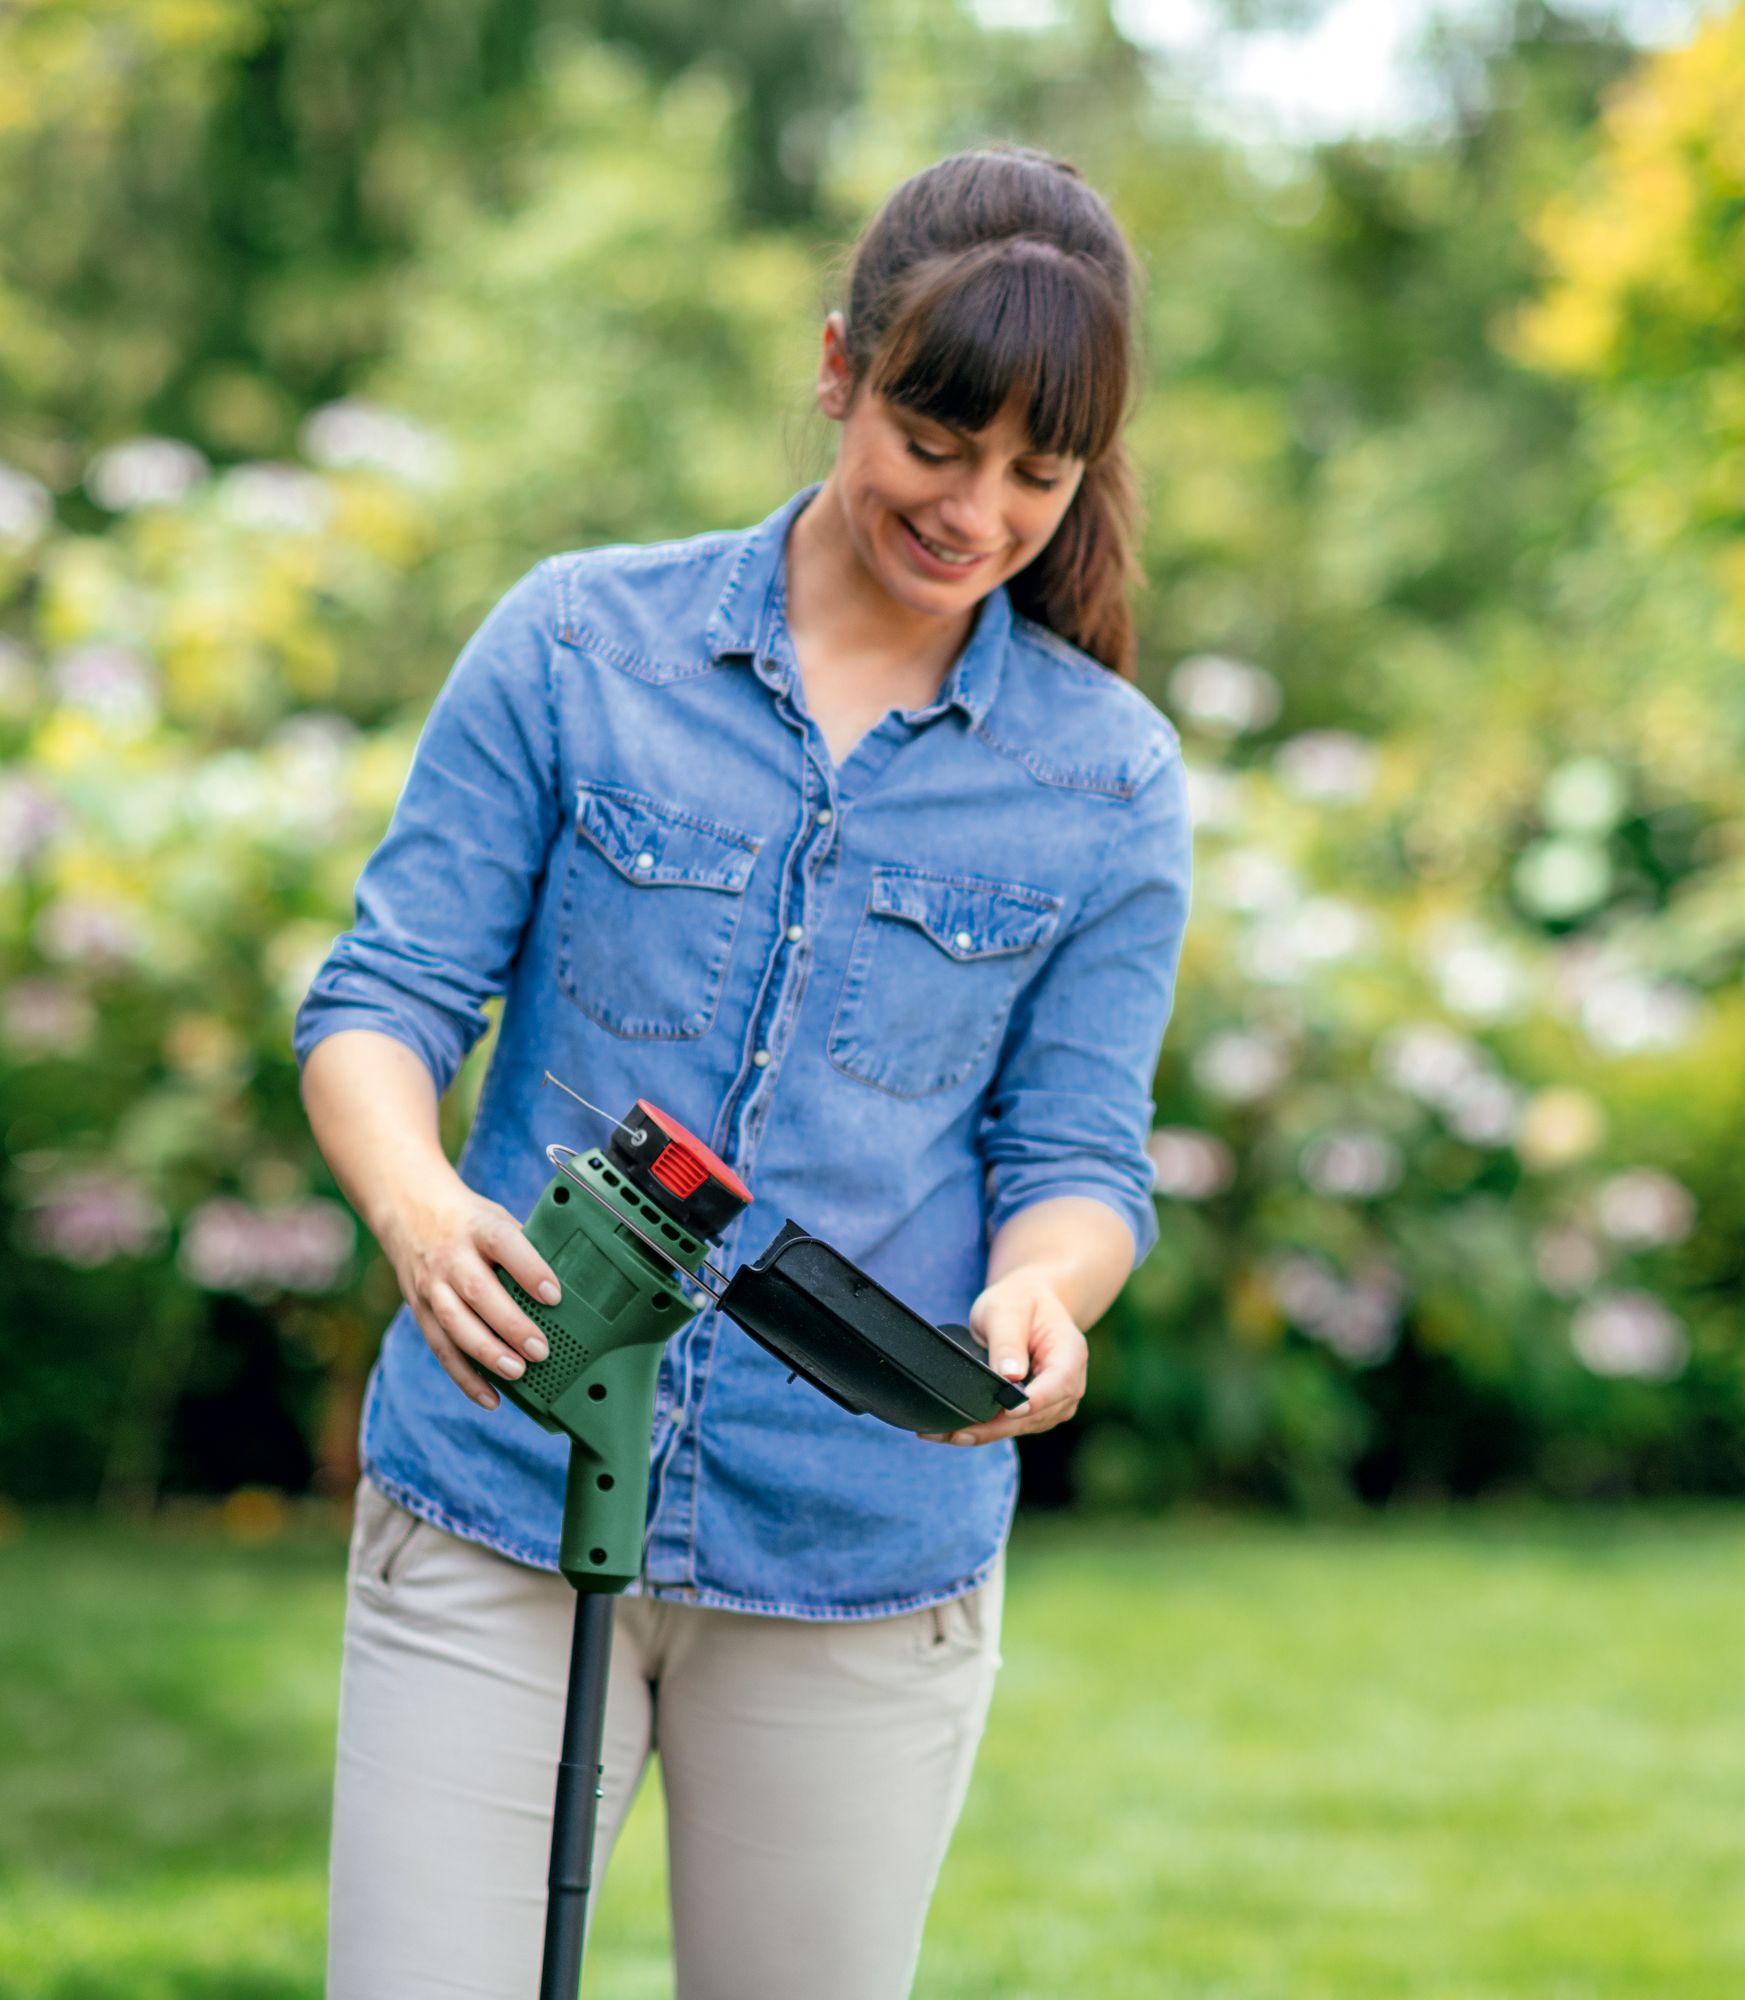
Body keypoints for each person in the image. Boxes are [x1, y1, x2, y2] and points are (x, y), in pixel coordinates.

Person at [295, 142, 1192, 2000]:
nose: (979, 511)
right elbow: (386, 993)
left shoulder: (1106, 778)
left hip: (863, 1550)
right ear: (840, 368)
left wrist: (1046, 1295)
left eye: (1042, 472)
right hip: (501, 1489)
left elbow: (1081, 1152)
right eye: (940, 444)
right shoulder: (577, 647)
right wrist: (416, 1200)